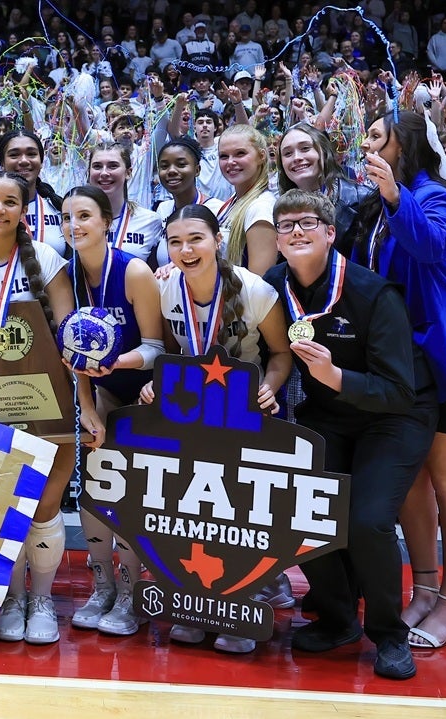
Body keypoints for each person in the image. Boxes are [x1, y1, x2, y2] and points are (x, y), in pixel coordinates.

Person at [265, 190, 435, 680]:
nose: (296, 231)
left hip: (395, 414)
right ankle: (339, 618)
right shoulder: (273, 284)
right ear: (276, 240)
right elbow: (225, 291)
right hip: (330, 414)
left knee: (367, 521)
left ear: (329, 233)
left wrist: (338, 377)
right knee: (302, 507)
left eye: (307, 223)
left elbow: (400, 390)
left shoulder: (371, 293)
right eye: (286, 225)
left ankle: (388, 634)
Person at [358, 110, 446, 652]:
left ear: (404, 146)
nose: (366, 144)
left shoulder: (431, 193)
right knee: (411, 482)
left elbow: (436, 247)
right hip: (402, 363)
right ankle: (427, 588)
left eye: (376, 136)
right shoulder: (372, 205)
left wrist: (396, 196)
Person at [0, 171, 90, 644]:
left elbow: (74, 342)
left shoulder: (47, 258)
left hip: (49, 405)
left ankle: (41, 598)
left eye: (10, 202)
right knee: (0, 508)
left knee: (45, 507)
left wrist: (85, 403)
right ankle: (8, 598)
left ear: (23, 211)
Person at [140, 203, 292, 653]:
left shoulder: (255, 290)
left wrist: (269, 387)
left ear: (217, 240)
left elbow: (281, 354)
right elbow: (163, 351)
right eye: (175, 242)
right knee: (193, 506)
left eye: (195, 239)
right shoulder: (163, 287)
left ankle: (242, 599)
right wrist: (155, 385)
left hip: (246, 410)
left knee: (241, 511)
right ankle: (196, 600)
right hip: (190, 412)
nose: (185, 250)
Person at [58, 185, 164, 637]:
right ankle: (101, 587)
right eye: (66, 217)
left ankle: (130, 593)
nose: (74, 225)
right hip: (100, 393)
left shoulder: (134, 271)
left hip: (146, 396)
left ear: (105, 221)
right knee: (95, 492)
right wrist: (86, 408)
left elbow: (158, 348)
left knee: (130, 498)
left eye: (84, 215)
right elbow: (72, 354)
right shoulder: (67, 275)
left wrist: (114, 363)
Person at [276, 123, 374, 254]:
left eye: (305, 148)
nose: (297, 158)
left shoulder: (363, 199)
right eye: (288, 153)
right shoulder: (280, 208)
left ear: (323, 152)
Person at [216, 124, 278, 276]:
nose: (230, 162)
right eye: (224, 156)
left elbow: (259, 285)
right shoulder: (234, 199)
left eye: (240, 153)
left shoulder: (261, 207)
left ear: (262, 156)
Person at [153, 138, 225, 266]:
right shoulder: (162, 209)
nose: (171, 171)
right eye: (164, 166)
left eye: (181, 164)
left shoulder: (218, 210)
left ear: (197, 170)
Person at [87, 142, 164, 262]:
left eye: (113, 166)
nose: (104, 173)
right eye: (97, 166)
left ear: (128, 173)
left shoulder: (150, 220)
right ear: (89, 173)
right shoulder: (75, 219)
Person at [0, 129, 66, 256]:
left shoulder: (58, 208)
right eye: (14, 155)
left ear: (41, 162)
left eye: (31, 154)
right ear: (2, 163)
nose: (23, 160)